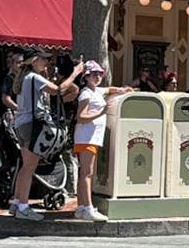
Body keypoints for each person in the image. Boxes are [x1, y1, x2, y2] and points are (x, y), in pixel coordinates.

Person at [9, 48, 84, 220]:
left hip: (22, 124)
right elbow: (59, 90)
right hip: (32, 125)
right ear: (34, 61)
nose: (46, 62)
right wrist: (75, 73)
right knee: (30, 168)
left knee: (25, 167)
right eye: (43, 59)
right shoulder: (34, 78)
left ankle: (16, 203)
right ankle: (23, 207)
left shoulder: (27, 77)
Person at [72, 60, 132, 222]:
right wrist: (102, 111)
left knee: (85, 173)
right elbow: (81, 117)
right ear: (86, 76)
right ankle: (88, 208)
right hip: (86, 137)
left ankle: (81, 207)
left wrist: (122, 89)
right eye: (94, 74)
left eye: (100, 74)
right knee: (87, 173)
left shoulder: (96, 90)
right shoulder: (86, 93)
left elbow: (108, 89)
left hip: (91, 137)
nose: (97, 77)